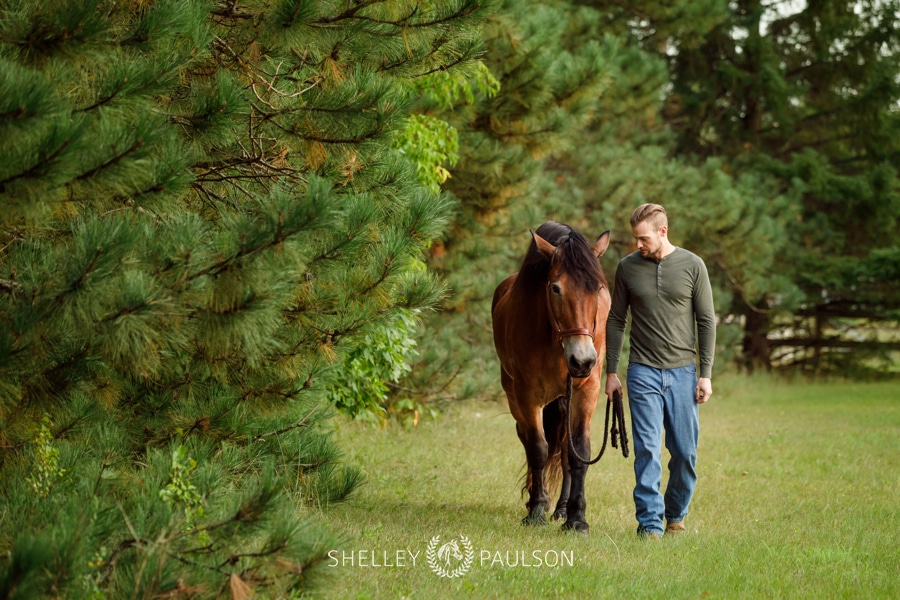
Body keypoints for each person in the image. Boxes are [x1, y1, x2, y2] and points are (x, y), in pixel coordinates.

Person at [605, 203, 716, 539]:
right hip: (642, 372)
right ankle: (650, 525)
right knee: (648, 449)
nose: (638, 244)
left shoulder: (693, 265)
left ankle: (676, 515)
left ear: (662, 231)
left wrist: (705, 373)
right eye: (635, 238)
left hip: (683, 372)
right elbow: (616, 320)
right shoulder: (627, 268)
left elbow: (706, 320)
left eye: (643, 238)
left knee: (684, 452)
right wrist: (612, 372)